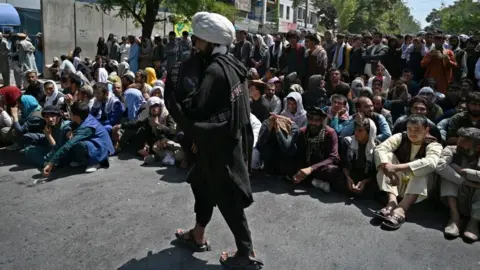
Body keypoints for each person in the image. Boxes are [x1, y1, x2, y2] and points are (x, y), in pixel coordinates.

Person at [165, 12, 263, 269]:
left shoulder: (213, 71)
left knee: (227, 198)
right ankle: (198, 233)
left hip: (219, 146)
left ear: (209, 42)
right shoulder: (233, 64)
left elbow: (194, 108)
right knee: (201, 183)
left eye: (198, 41)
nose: (195, 46)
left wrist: (174, 98)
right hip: (226, 141)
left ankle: (246, 253)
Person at [373, 115, 443, 230]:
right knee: (385, 159)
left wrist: (397, 168)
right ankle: (392, 202)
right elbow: (381, 148)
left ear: (426, 130)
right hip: (397, 182)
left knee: (422, 168)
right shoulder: (401, 137)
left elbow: (431, 163)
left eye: (417, 129)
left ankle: (402, 209)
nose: (412, 133)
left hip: (419, 188)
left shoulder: (434, 144)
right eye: (409, 129)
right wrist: (389, 170)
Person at [43, 101, 114, 175]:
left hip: (102, 150)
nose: (67, 114)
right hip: (94, 143)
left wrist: (51, 163)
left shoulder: (87, 127)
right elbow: (70, 125)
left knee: (77, 143)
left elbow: (68, 145)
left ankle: (96, 162)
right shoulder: (84, 116)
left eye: (70, 112)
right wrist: (68, 130)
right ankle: (81, 160)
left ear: (76, 116)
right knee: (65, 130)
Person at [437, 127, 480, 241]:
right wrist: (465, 181)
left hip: (475, 200)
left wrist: (464, 172)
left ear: (478, 147)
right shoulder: (451, 150)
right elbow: (440, 166)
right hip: (456, 196)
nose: (459, 144)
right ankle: (454, 218)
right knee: (448, 175)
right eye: (459, 140)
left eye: (464, 142)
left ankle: (474, 223)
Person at [292, 106, 342, 193]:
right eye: (311, 119)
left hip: (321, 166)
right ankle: (313, 182)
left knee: (333, 170)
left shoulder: (330, 133)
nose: (313, 123)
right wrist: (301, 169)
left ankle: (308, 181)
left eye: (317, 120)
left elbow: (333, 157)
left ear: (322, 121)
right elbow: (299, 153)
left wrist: (311, 168)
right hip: (306, 164)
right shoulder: (303, 132)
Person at [341, 115, 377, 196]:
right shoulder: (348, 142)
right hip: (350, 175)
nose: (356, 133)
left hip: (367, 178)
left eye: (360, 131)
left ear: (369, 133)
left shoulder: (377, 148)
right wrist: (348, 177)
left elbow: (375, 172)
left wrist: (365, 182)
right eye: (355, 130)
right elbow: (343, 164)